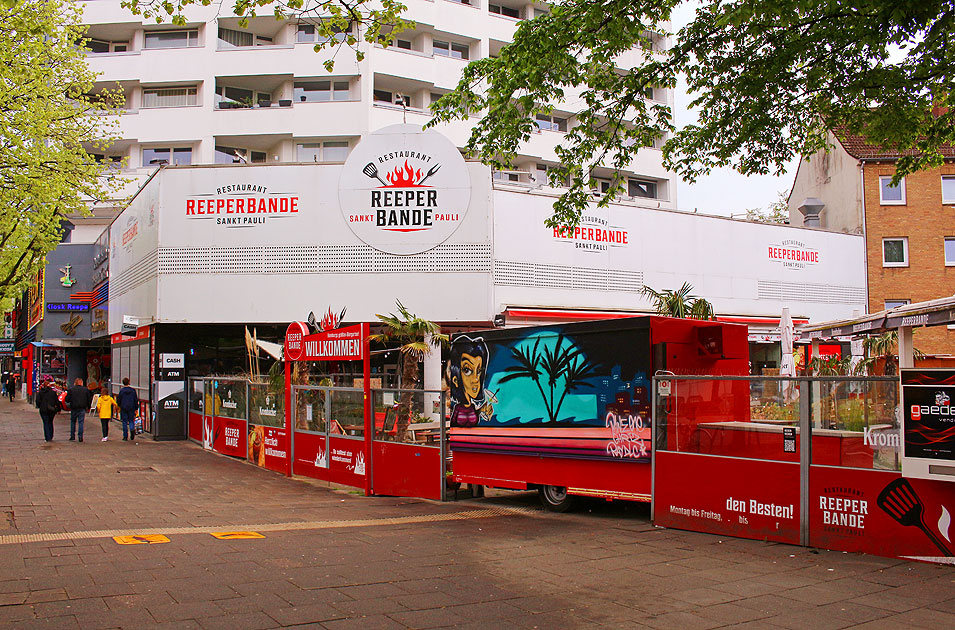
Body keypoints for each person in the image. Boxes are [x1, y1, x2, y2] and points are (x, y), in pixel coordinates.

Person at [447, 335, 493, 428]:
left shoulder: (472, 407)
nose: (476, 379)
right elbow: (454, 423)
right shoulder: (458, 408)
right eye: (467, 370)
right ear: (455, 380)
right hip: (460, 439)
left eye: (479, 371)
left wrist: (482, 411)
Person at [64, 377, 92, 442]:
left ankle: (72, 436)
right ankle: (80, 437)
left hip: (74, 408)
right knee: (81, 422)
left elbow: (67, 399)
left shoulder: (71, 389)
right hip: (82, 408)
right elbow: (89, 399)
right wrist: (88, 406)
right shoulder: (85, 390)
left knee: (73, 422)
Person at [35, 377, 60, 441]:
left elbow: (37, 401)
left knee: (45, 423)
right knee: (50, 422)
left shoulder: (40, 393)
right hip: (51, 410)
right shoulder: (53, 392)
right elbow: (57, 401)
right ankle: (51, 435)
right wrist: (58, 409)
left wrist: (40, 406)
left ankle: (47, 436)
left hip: (43, 410)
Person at [116, 377, 139, 442]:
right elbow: (135, 399)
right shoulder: (133, 391)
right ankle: (132, 430)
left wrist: (119, 406)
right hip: (131, 408)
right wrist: (136, 408)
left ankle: (125, 436)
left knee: (124, 422)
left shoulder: (122, 391)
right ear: (129, 382)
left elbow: (119, 399)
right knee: (131, 420)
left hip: (123, 408)